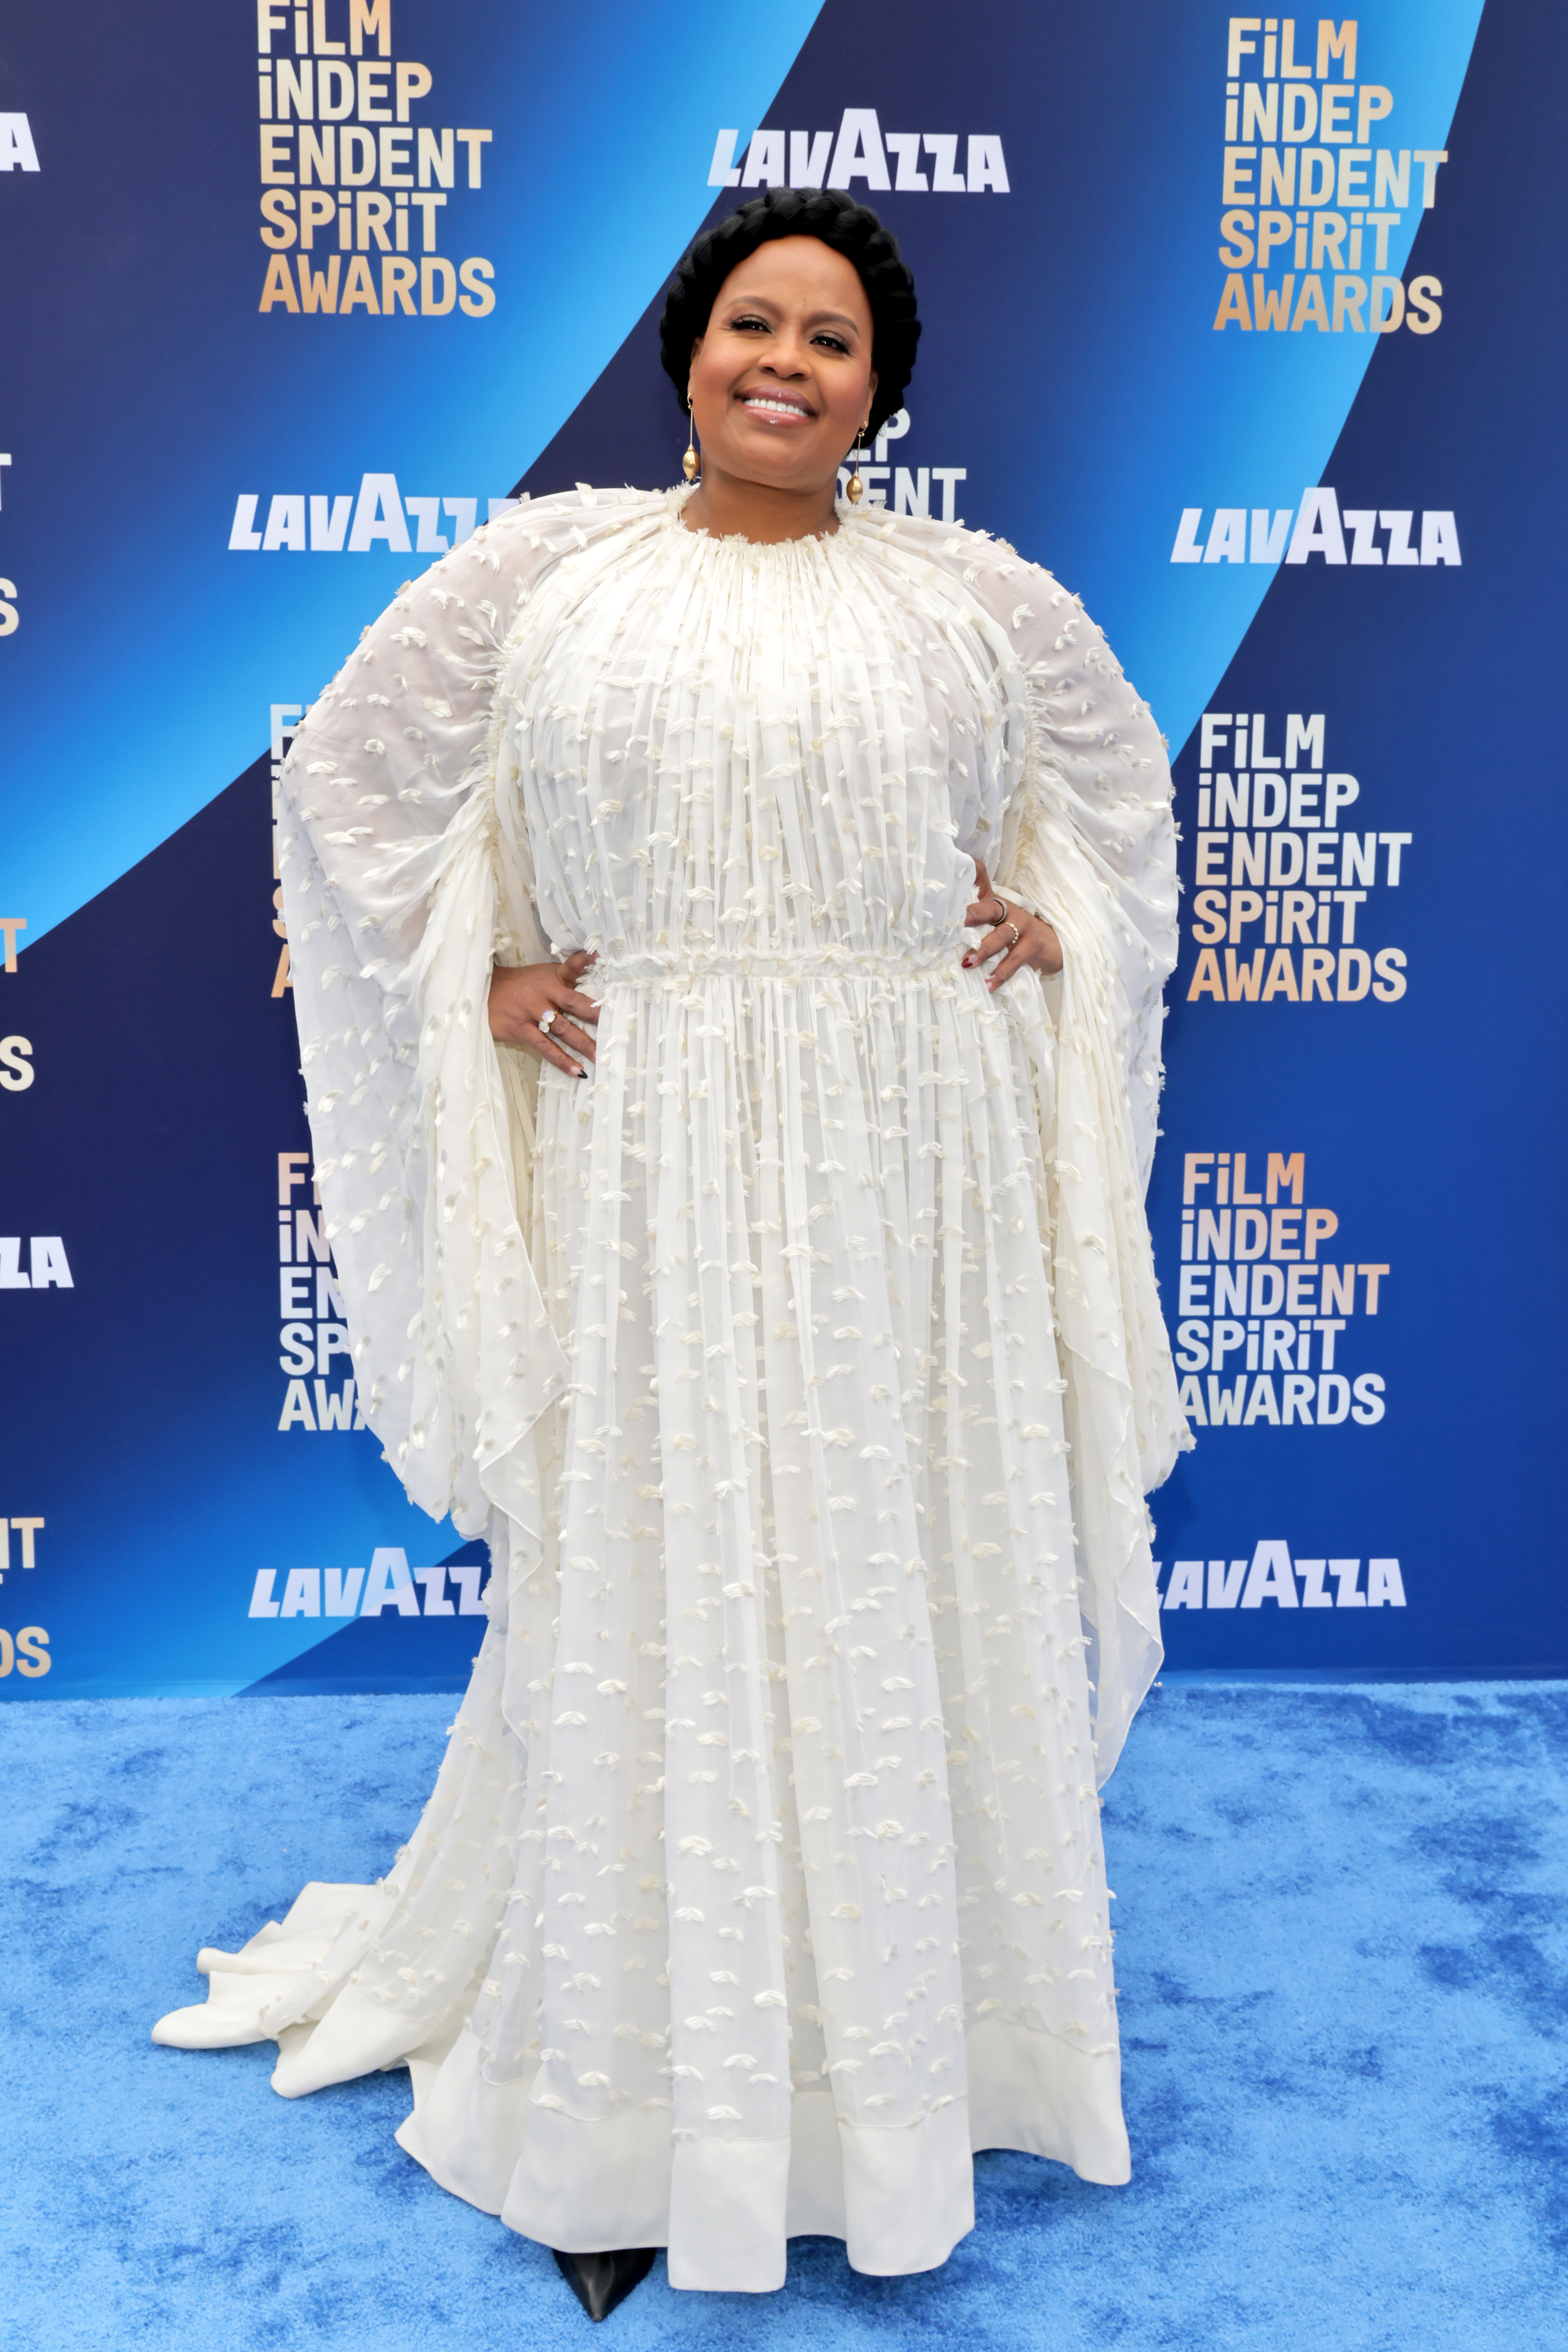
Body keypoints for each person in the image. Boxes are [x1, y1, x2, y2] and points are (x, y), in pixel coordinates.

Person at [155, 186, 1187, 2318]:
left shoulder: (973, 606)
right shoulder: (548, 583)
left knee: (891, 1561)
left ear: (882, 389)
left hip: (917, 1174)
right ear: (686, 353)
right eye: (752, 324)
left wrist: (1056, 923)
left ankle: (912, 2064)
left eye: (830, 336)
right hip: (657, 1166)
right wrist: (485, 988)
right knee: (671, 1571)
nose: (786, 362)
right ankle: (647, 2095)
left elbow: (1113, 800)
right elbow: (344, 795)